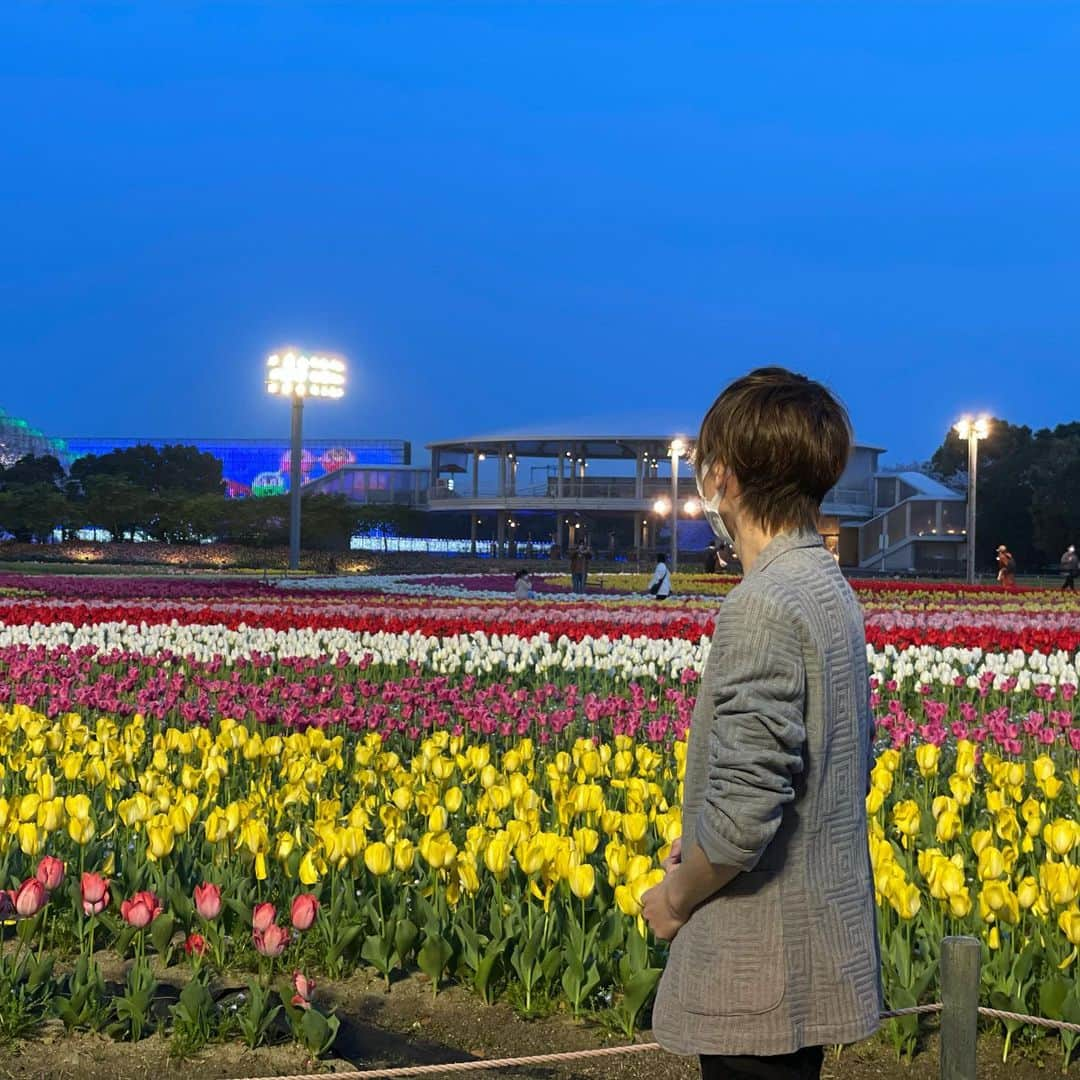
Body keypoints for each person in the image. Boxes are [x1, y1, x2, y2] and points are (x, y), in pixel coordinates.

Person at [641, 367, 880, 1080]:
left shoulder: (764, 602)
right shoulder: (828, 586)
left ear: (729, 479)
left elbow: (747, 818)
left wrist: (674, 898)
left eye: (709, 466)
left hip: (759, 972)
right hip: (814, 951)